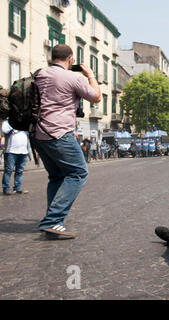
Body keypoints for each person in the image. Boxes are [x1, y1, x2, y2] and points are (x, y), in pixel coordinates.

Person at [31, 44, 101, 239]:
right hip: (59, 133)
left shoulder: (39, 74)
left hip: (38, 135)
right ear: (70, 59)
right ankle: (53, 220)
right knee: (78, 173)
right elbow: (96, 97)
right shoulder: (72, 77)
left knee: (56, 176)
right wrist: (91, 76)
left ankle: (53, 223)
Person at [2, 119, 31, 195]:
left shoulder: (24, 124)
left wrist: (29, 151)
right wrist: (15, 124)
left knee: (20, 171)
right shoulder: (7, 122)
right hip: (11, 151)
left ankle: (17, 188)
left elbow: (28, 136)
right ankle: (6, 188)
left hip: (23, 151)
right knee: (8, 170)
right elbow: (4, 130)